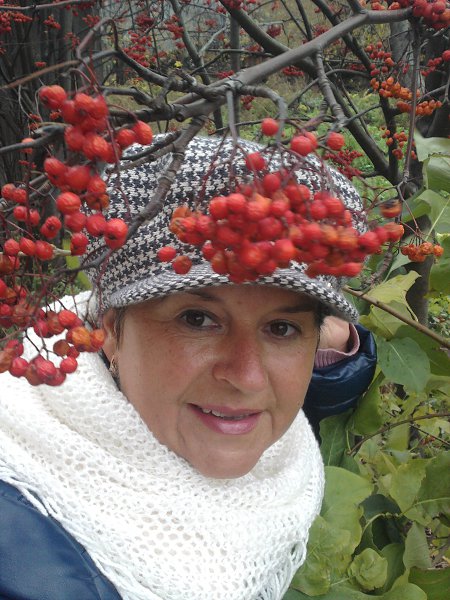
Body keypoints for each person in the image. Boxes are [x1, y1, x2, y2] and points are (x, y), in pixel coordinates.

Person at [0, 136, 376, 600]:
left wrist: (342, 353)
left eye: (281, 328)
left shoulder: (269, 451)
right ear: (112, 331)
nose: (247, 377)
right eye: (198, 320)